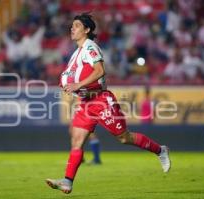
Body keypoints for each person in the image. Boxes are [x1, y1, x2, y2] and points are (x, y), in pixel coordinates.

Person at [45, 13, 171, 194]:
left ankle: (160, 150)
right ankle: (67, 181)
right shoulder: (75, 54)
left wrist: (78, 84)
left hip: (102, 100)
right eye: (72, 25)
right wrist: (67, 84)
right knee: (76, 141)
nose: (72, 28)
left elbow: (100, 70)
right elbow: (71, 76)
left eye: (77, 26)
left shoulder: (90, 47)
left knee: (124, 138)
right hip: (86, 102)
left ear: (87, 30)